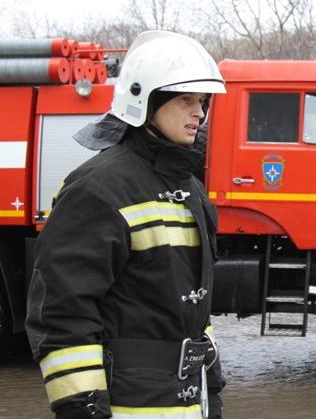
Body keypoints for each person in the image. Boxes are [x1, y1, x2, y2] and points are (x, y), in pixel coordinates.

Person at [26, 31, 227, 419]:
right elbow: (63, 313)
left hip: (187, 405)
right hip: (127, 407)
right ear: (144, 99)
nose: (199, 113)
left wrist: (211, 389)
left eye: (202, 102)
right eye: (186, 99)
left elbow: (196, 310)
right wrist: (83, 409)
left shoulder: (191, 190)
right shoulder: (98, 190)